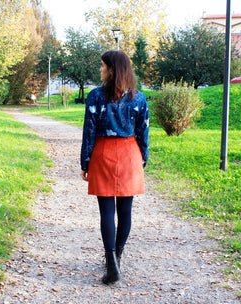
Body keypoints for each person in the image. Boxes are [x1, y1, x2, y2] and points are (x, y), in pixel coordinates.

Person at [80, 50, 149, 285]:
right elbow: (143, 133)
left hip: (103, 152)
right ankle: (117, 258)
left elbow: (89, 131)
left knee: (107, 212)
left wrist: (85, 162)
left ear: (112, 69)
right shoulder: (138, 98)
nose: (100, 69)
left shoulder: (95, 97)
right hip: (130, 154)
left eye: (102, 66)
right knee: (126, 211)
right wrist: (144, 158)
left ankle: (111, 264)